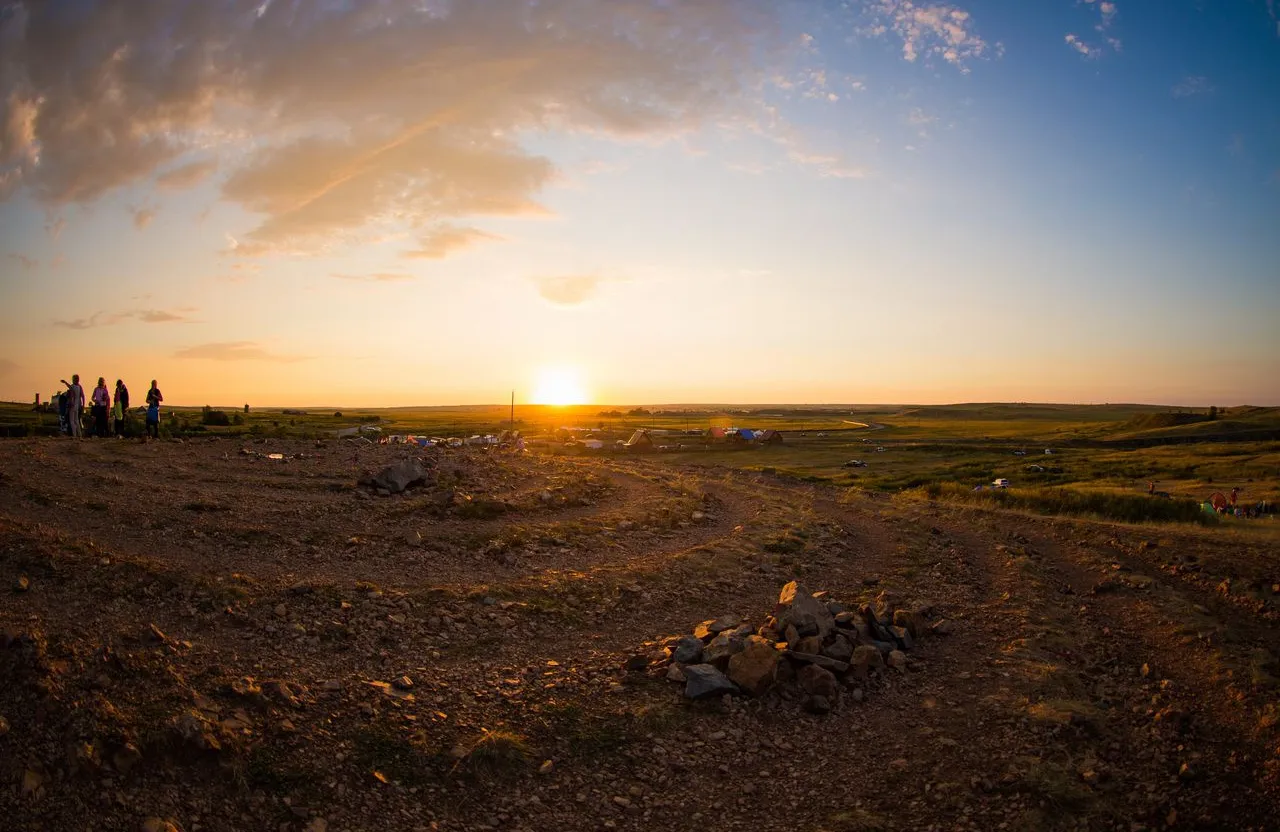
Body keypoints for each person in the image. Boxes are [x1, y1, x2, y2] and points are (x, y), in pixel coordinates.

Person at [60, 374, 85, 439]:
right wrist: (83, 405)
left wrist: (65, 382)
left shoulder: (73, 386)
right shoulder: (79, 387)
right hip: (77, 405)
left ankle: (74, 434)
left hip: (72, 405)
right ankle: (80, 434)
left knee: (72, 420)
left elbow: (69, 387)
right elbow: (83, 396)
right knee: (77, 420)